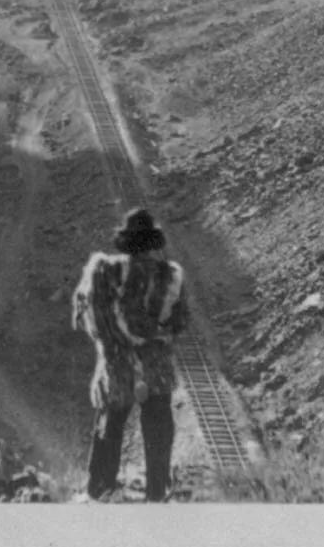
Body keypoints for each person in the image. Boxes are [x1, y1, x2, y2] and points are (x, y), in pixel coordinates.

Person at [72, 207, 189, 501]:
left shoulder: (105, 272)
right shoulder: (170, 277)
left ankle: (101, 490)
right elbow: (180, 322)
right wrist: (155, 334)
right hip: (156, 367)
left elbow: (91, 319)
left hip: (118, 365)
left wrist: (118, 339)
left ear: (126, 242)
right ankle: (156, 494)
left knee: (110, 425)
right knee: (158, 430)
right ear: (152, 243)